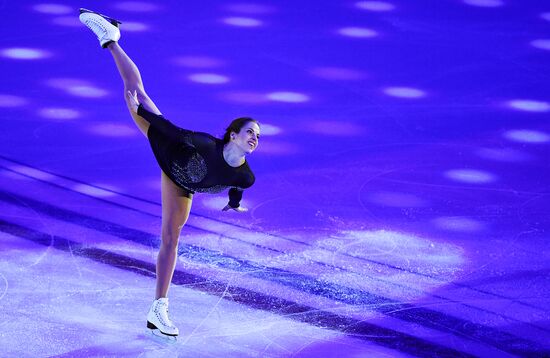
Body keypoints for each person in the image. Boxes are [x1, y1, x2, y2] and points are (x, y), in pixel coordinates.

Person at [79, 9, 260, 339]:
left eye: (258, 136)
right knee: (136, 92)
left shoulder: (246, 176)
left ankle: (156, 310)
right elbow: (173, 131)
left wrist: (234, 205)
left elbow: (237, 187)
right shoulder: (207, 145)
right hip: (171, 149)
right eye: (249, 131)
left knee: (170, 238)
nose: (254, 138)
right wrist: (140, 113)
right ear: (233, 135)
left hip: (180, 181)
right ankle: (111, 39)